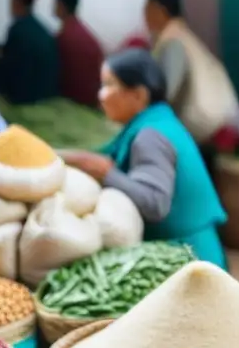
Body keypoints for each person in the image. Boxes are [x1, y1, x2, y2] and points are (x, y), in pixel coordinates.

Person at [62, 49, 228, 269]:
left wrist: (106, 174)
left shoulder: (150, 137)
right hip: (190, 255)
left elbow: (155, 203)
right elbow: (102, 155)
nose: (101, 95)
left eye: (110, 85)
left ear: (139, 95)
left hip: (188, 260)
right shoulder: (157, 121)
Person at [144, 0, 238, 148]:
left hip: (204, 126)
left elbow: (166, 93)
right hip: (215, 118)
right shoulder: (180, 35)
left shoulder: (173, 43)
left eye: (147, 8)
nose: (144, 15)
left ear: (160, 9)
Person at [0, 0, 58, 104]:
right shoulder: (43, 29)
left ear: (17, 1)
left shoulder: (17, 30)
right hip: (46, 95)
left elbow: (9, 69)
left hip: (24, 98)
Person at [55, 0, 105, 108]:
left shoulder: (63, 38)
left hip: (73, 102)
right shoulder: (87, 36)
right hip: (93, 100)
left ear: (60, 5)